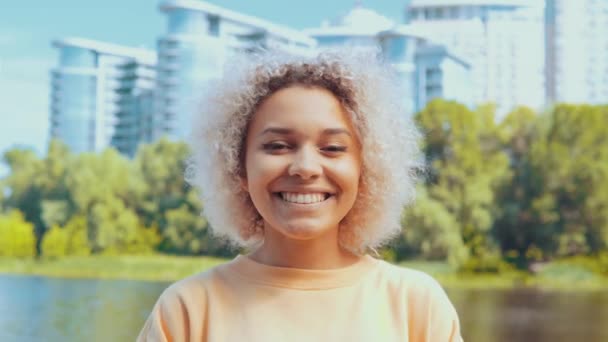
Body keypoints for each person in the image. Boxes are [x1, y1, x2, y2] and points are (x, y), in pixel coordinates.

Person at [137, 48, 463, 342]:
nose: (305, 168)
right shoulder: (187, 309)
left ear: (366, 170)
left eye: (333, 148)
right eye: (278, 145)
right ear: (238, 168)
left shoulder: (416, 304)